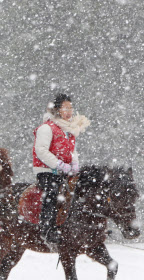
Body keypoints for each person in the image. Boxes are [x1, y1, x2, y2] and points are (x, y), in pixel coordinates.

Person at [33, 94, 90, 245]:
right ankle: (47, 228)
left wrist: (74, 164)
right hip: (47, 171)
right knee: (53, 191)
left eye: (71, 108)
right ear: (57, 110)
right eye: (66, 108)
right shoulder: (46, 128)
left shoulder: (68, 130)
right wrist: (59, 165)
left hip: (65, 171)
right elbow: (41, 150)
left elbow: (72, 152)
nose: (69, 111)